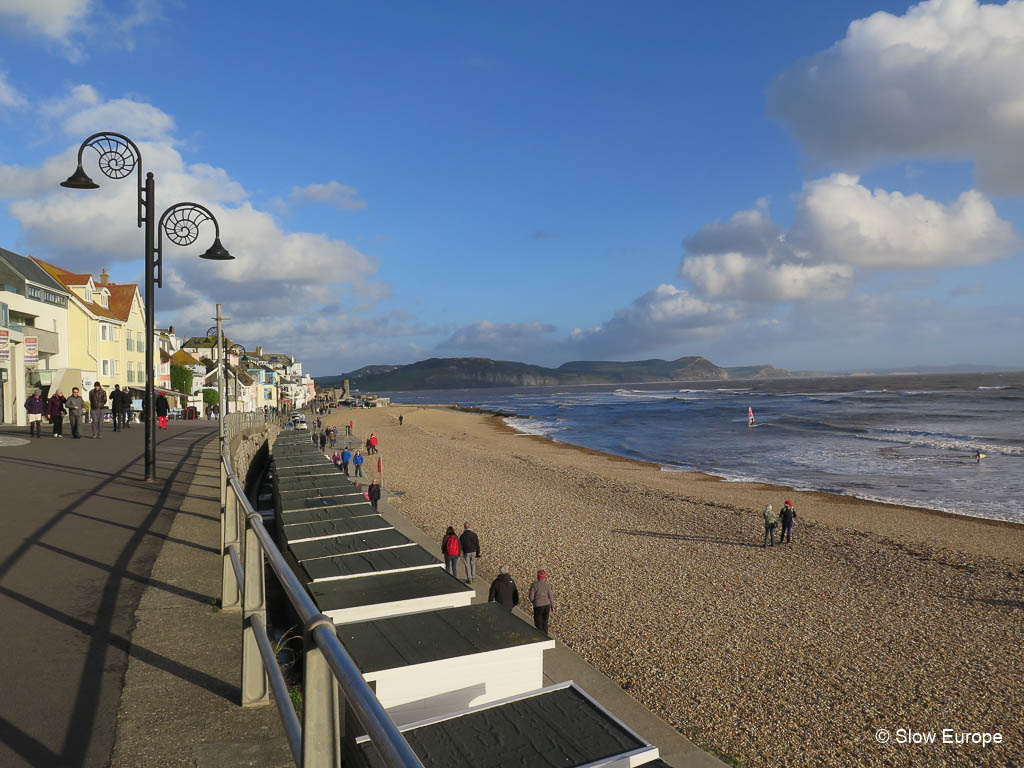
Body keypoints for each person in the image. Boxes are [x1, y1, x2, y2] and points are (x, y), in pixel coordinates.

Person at [528, 570, 554, 634]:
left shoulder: (534, 585)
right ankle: (546, 636)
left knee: (538, 623)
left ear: (537, 576)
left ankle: (542, 637)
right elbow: (551, 597)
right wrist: (552, 606)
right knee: (545, 622)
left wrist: (534, 602)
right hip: (547, 605)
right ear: (544, 577)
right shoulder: (547, 586)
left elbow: (531, 597)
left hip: (538, 606)